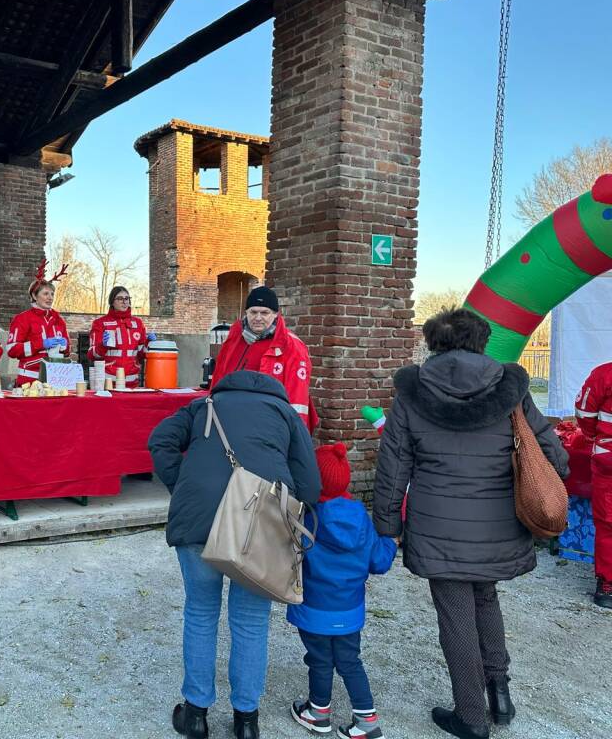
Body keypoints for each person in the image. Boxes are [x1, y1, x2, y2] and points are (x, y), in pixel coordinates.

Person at [373, 308, 568, 739]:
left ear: (433, 343)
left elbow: (393, 465)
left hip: (437, 525)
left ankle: (471, 717)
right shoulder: (511, 388)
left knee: (455, 616)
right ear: (482, 341)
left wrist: (387, 524)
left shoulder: (412, 392)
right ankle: (499, 692)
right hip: (499, 521)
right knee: (486, 599)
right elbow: (552, 455)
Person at [148, 370, 321, 739]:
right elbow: (310, 484)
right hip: (258, 531)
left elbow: (160, 439)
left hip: (198, 521)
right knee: (250, 622)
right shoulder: (286, 413)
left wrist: (181, 485)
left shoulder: (203, 406)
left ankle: (195, 713)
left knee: (200, 611)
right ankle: (246, 720)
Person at [288, 442, 397, 739]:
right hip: (349, 611)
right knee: (350, 661)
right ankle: (367, 721)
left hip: (313, 608)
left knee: (319, 659)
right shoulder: (361, 518)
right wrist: (391, 543)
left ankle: (318, 712)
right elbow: (378, 561)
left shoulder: (307, 518)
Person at [209, 286, 317, 432]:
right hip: (229, 420)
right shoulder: (234, 339)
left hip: (268, 425)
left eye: (264, 313)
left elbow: (297, 400)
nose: (258, 318)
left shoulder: (292, 347)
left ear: (276, 314)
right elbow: (219, 377)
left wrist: (294, 437)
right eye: (253, 312)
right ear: (246, 313)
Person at [573, 361, 612, 608]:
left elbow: (584, 413)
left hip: (608, 458)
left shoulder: (604, 373)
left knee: (608, 522)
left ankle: (608, 586)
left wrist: (595, 437)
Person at [6, 261, 71, 386]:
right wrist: (41, 344)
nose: (50, 298)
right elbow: (12, 350)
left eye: (52, 294)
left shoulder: (59, 320)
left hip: (55, 378)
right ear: (35, 296)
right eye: (45, 294)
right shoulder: (22, 319)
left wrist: (65, 346)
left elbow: (67, 352)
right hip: (29, 380)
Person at [88, 286, 155, 387]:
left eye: (127, 298)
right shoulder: (100, 323)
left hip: (132, 384)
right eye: (120, 298)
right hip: (108, 384)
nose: (124, 302)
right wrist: (103, 345)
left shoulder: (138, 323)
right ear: (112, 302)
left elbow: (141, 355)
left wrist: (148, 343)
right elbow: (91, 355)